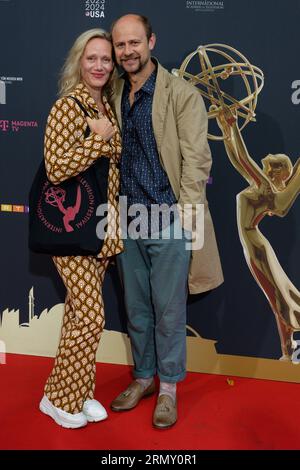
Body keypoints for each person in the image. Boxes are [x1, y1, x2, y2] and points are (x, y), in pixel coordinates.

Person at [110, 14, 223, 429]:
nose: (128, 52)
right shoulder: (115, 91)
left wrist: (186, 222)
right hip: (127, 219)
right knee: (136, 309)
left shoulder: (182, 94)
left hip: (169, 219)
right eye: (121, 45)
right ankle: (142, 378)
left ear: (151, 41)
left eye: (135, 42)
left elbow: (197, 162)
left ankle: (169, 388)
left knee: (169, 313)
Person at [39, 28, 122, 429]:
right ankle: (61, 400)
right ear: (79, 60)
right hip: (71, 229)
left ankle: (73, 388)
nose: (100, 65)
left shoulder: (105, 104)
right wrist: (98, 140)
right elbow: (56, 168)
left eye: (106, 59)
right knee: (91, 317)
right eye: (92, 58)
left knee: (77, 315)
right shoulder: (67, 107)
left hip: (101, 229)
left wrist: (105, 133)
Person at [217, 105, 300, 362]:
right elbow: (236, 158)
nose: (263, 165)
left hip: (256, 246)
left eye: (268, 165)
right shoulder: (259, 186)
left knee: (279, 300)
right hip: (254, 245)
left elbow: (244, 158)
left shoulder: (264, 187)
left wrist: (232, 127)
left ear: (274, 172)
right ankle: (288, 350)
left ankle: (289, 350)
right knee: (277, 299)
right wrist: (226, 129)